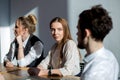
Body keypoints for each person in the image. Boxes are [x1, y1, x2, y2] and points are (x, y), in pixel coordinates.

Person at [76, 5, 119, 80]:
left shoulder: (92, 74)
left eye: (78, 29)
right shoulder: (111, 56)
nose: (77, 34)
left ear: (86, 33)